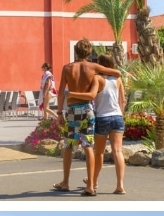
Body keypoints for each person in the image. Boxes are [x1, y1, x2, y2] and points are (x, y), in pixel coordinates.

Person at [52, 38, 121, 196]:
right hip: (88, 110)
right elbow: (117, 73)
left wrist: (59, 113)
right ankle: (90, 185)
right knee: (88, 146)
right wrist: (102, 72)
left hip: (72, 111)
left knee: (69, 146)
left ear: (75, 51)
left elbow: (61, 91)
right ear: (90, 53)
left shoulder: (68, 68)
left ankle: (65, 182)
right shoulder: (94, 67)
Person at [88, 53, 127, 195]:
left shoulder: (97, 78)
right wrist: (121, 115)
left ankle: (95, 181)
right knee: (118, 152)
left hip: (102, 118)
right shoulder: (118, 79)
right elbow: (122, 100)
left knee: (99, 153)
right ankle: (120, 185)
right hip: (117, 117)